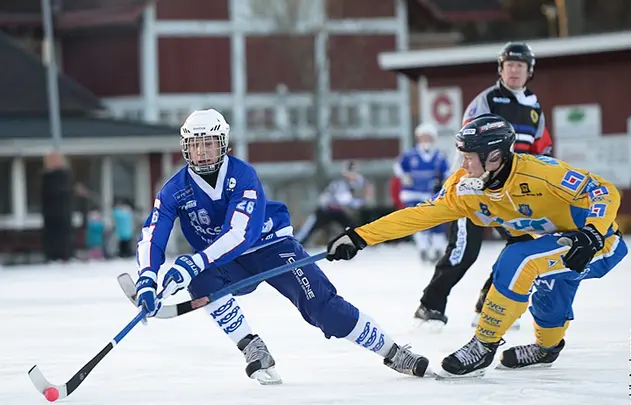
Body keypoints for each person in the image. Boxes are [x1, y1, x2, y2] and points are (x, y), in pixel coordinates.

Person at [135, 109, 430, 385]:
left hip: (270, 246)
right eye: (194, 145)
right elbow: (153, 233)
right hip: (227, 263)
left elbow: (240, 234)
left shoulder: (242, 176)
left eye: (208, 144)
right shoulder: (174, 189)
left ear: (223, 144)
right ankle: (252, 347)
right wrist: (147, 279)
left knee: (324, 309)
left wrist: (195, 262)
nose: (201, 152)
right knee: (201, 283)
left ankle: (392, 352)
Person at [325, 114, 627, 378]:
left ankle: (483, 345)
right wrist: (360, 236)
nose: (462, 164)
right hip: (555, 244)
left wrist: (593, 233)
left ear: (494, 156)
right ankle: (547, 349)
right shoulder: (465, 188)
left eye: (469, 157)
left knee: (519, 259)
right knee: (549, 297)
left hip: (597, 243)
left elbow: (603, 190)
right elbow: (419, 216)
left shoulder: (540, 173)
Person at [414, 41, 554, 327]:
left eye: (520, 66)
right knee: (464, 251)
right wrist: (462, 182)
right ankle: (430, 307)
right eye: (509, 65)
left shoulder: (534, 107)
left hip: (511, 193)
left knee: (522, 246)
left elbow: (542, 150)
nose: (514, 71)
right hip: (474, 188)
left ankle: (487, 305)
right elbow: (465, 142)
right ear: (500, 69)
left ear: (530, 71)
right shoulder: (488, 100)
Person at [394, 122, 449, 263]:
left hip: (431, 193)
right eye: (423, 137)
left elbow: (446, 173)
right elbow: (398, 167)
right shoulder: (410, 154)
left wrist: (442, 183)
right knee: (419, 221)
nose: (426, 140)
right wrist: (404, 177)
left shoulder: (438, 156)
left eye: (428, 137)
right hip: (413, 193)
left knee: (437, 221)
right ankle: (423, 248)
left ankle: (437, 248)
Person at [295, 161, 372, 246]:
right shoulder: (340, 182)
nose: (353, 175)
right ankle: (297, 244)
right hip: (325, 210)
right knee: (309, 229)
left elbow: (364, 185)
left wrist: (366, 191)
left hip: (337, 211)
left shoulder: (355, 180)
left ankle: (357, 243)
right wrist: (361, 201)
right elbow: (345, 200)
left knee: (350, 227)